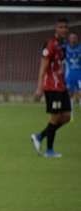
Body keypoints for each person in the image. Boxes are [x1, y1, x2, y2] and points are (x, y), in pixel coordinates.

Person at [30, 18, 70, 158]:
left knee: (66, 117)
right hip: (52, 87)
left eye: (65, 27)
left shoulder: (62, 45)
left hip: (62, 86)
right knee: (55, 117)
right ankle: (49, 150)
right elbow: (43, 67)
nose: (63, 29)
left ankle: (40, 136)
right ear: (55, 28)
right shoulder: (50, 44)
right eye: (61, 27)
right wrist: (39, 88)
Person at [64, 32, 81, 108]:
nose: (73, 39)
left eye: (75, 37)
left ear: (77, 39)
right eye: (72, 37)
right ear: (69, 39)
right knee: (70, 93)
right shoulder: (65, 48)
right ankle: (71, 113)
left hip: (79, 73)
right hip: (69, 74)